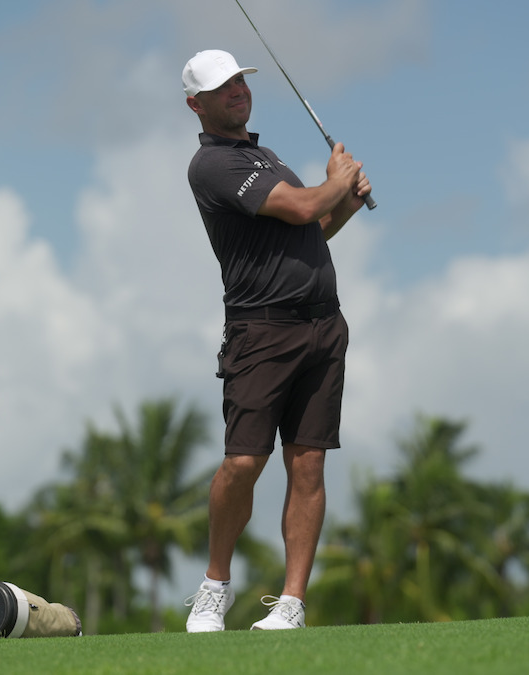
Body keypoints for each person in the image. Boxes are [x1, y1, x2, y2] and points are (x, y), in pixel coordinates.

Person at [180, 49, 371, 632]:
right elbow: (305, 205)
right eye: (222, 87)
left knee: (308, 463)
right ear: (198, 104)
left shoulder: (265, 157)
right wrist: (333, 184)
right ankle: (215, 586)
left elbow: (312, 231)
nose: (236, 90)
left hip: (321, 325)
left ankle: (291, 604)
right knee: (243, 462)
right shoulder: (212, 165)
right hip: (261, 331)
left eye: (239, 80)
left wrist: (348, 202)